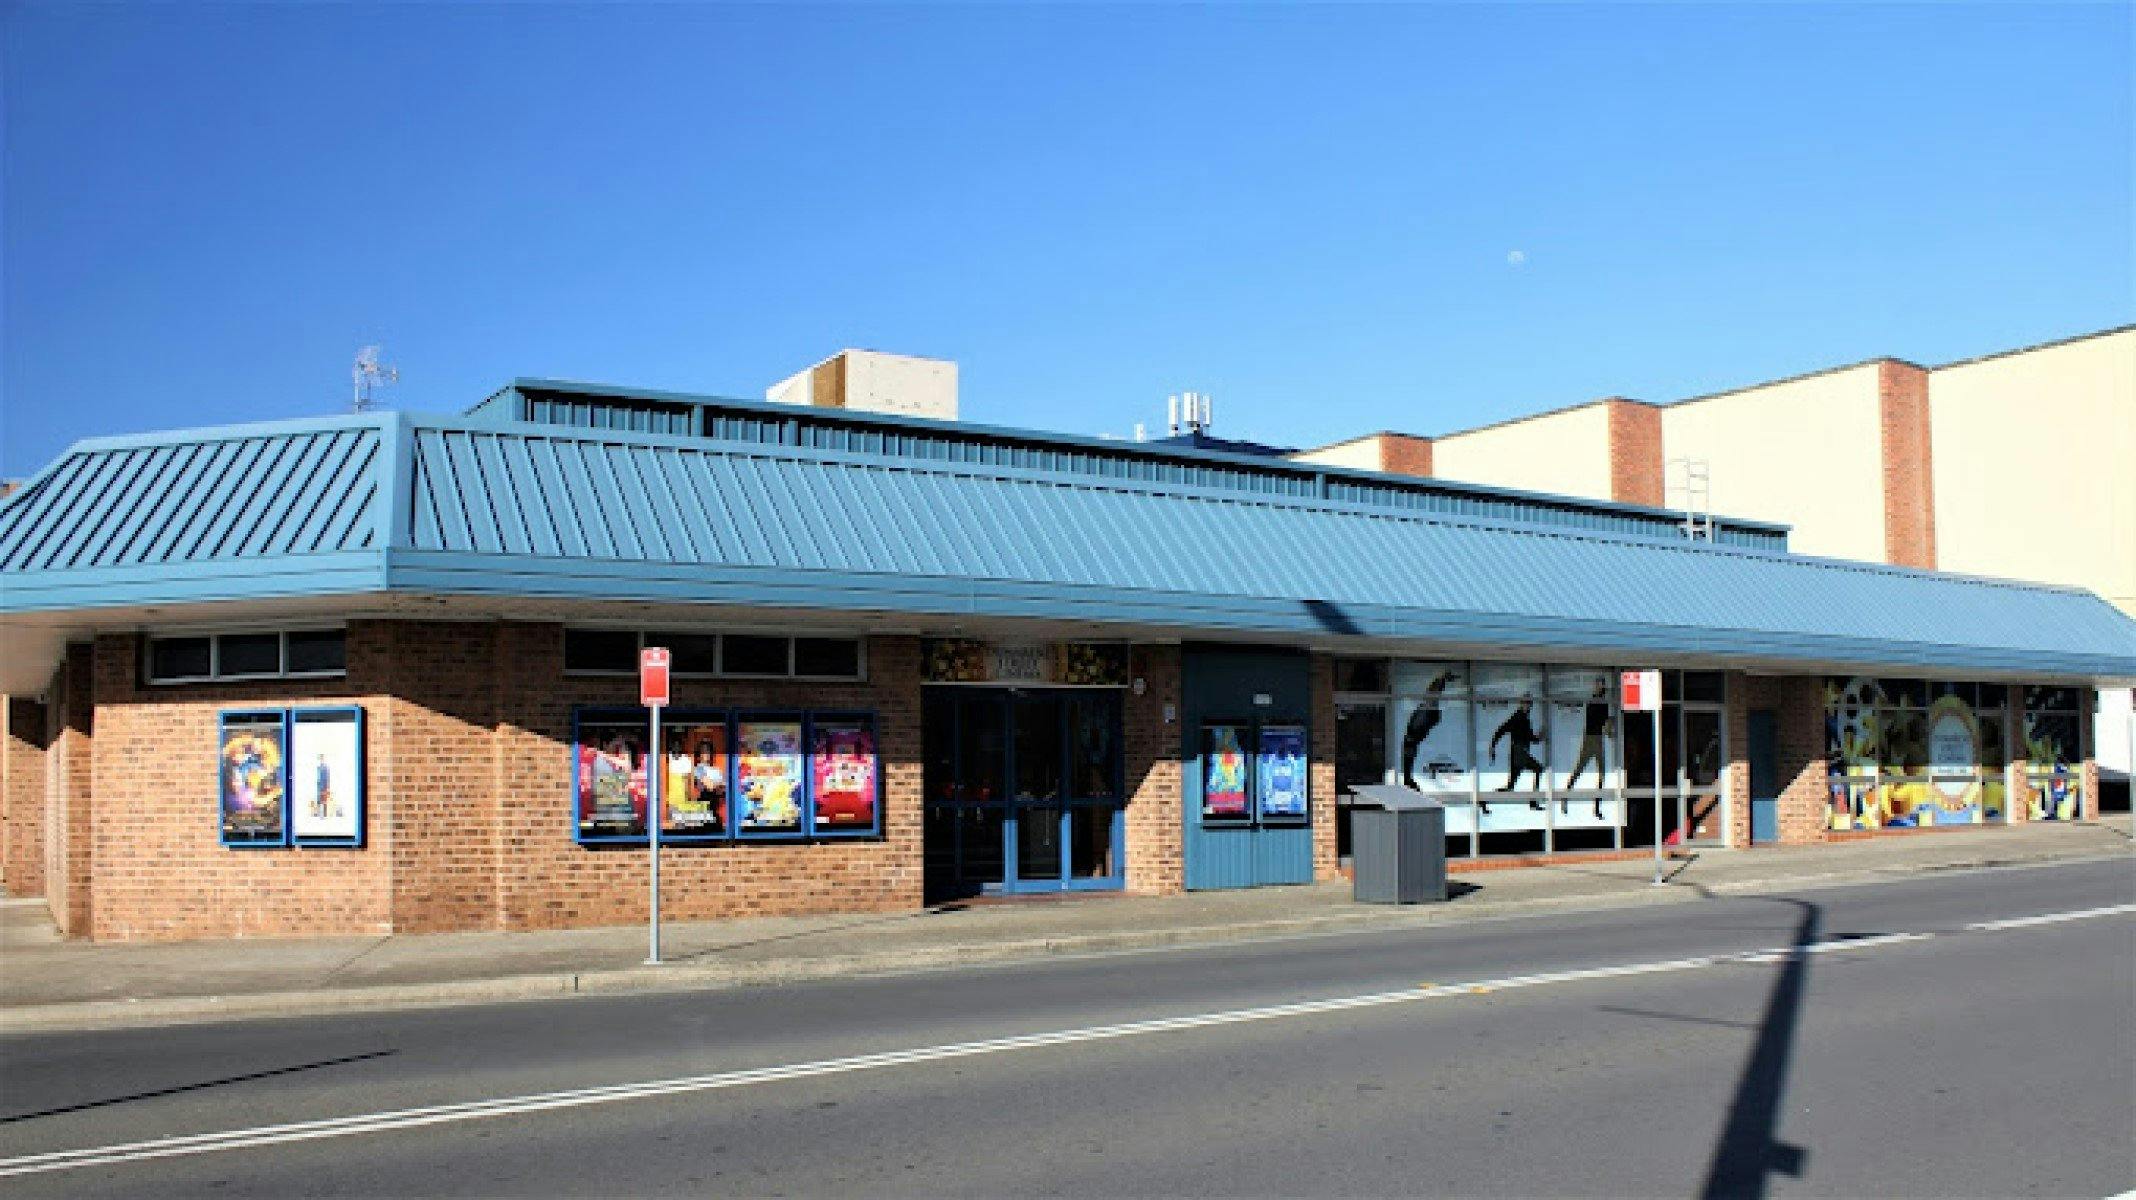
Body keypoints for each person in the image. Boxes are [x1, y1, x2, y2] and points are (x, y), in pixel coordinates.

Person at [1562, 682, 1612, 819]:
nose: (1598, 687)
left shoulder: (1598, 702)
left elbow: (1603, 724)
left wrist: (1607, 727)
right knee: (1580, 770)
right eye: (1598, 685)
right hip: (1592, 739)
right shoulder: (1597, 702)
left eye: (1600, 685)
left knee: (1599, 774)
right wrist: (1609, 726)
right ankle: (1565, 798)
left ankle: (1595, 807)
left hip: (1596, 738)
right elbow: (1603, 724)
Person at [1399, 672, 1453, 789]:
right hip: (1413, 738)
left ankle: (1407, 780)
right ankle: (1407, 780)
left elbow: (1432, 697)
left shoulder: (1425, 713)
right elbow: (1432, 697)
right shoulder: (1425, 713)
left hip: (1413, 738)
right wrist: (1441, 681)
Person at [1490, 697, 1546, 805]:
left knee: (1510, 786)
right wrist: (1492, 746)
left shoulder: (1524, 718)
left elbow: (1529, 738)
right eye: (1525, 703)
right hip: (1519, 752)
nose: (1527, 706)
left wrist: (1538, 738)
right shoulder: (1517, 718)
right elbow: (1501, 730)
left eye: (1528, 704)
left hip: (1518, 753)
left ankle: (1484, 800)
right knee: (1538, 769)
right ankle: (1533, 800)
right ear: (1521, 704)